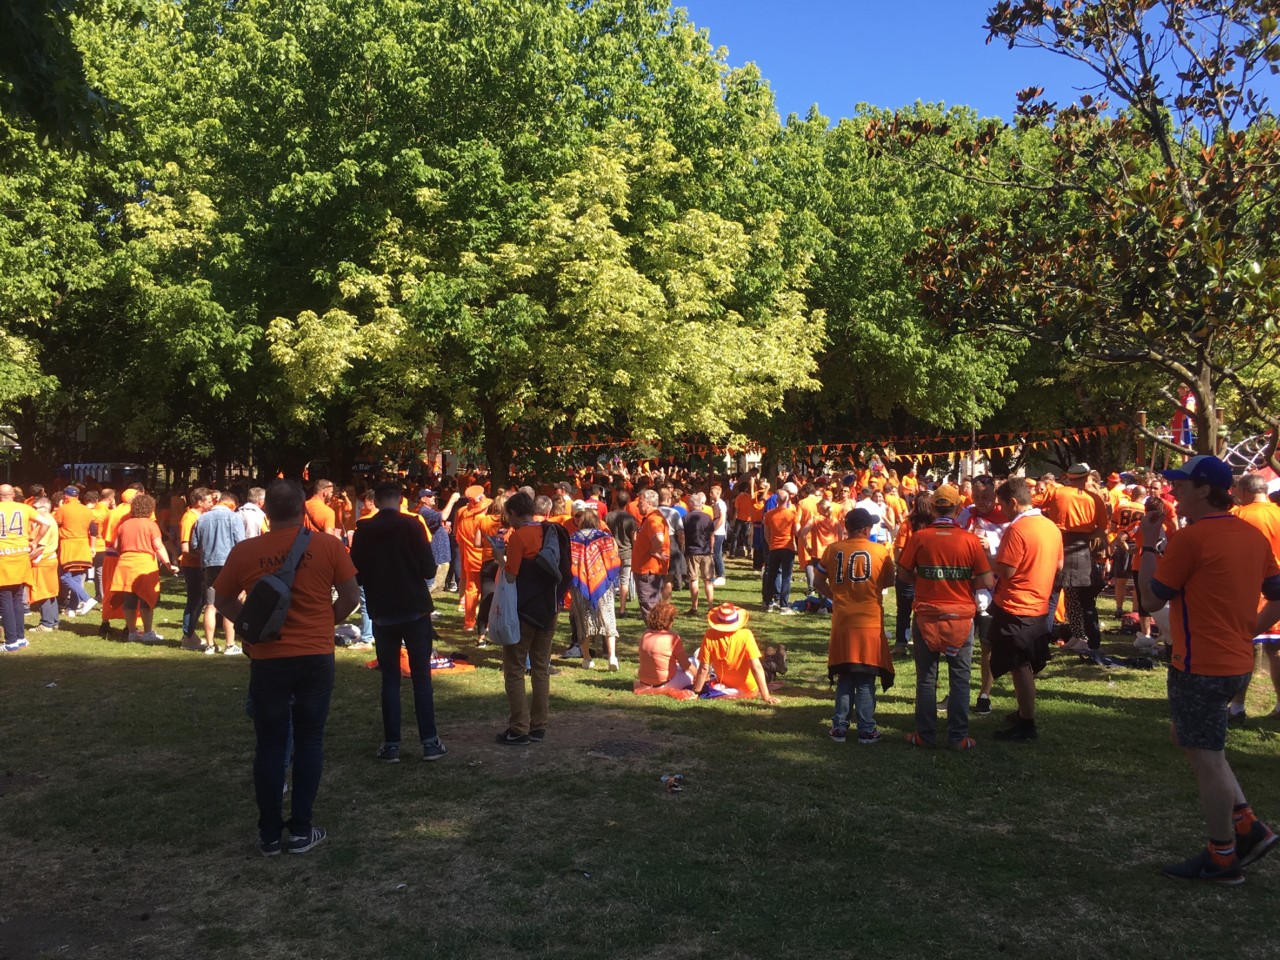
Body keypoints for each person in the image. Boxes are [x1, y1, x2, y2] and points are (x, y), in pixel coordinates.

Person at [1137, 455, 1280, 884]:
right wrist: (1249, 631)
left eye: (1181, 484)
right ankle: (1247, 826)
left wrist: (1147, 545)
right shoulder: (1250, 534)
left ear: (1205, 489)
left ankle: (1223, 856)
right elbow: (1276, 593)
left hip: (1201, 666)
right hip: (1232, 662)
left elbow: (1150, 601)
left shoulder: (1192, 539)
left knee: (1207, 758)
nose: (1173, 491)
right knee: (1189, 738)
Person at [214, 479, 360, 856]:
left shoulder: (247, 551)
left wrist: (249, 624)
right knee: (310, 740)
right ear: (303, 510)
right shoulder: (328, 546)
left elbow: (222, 596)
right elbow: (350, 597)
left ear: (266, 511)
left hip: (269, 658)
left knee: (270, 744)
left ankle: (268, 834)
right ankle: (300, 830)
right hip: (315, 655)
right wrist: (322, 624)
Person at [348, 480, 446, 764]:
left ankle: (392, 744)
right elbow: (429, 568)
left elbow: (357, 573)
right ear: (400, 499)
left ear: (376, 501)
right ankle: (429, 742)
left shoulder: (364, 529)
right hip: (414, 607)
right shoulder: (412, 525)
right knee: (420, 677)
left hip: (383, 610)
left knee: (390, 679)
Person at [897, 484, 993, 750]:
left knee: (926, 678)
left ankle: (925, 735)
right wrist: (961, 583)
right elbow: (985, 580)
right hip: (960, 617)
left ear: (933, 507)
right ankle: (958, 737)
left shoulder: (919, 538)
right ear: (958, 507)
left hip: (927, 615)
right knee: (960, 679)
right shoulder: (970, 540)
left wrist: (927, 581)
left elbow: (904, 574)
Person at [988, 478, 1064, 743]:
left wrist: (985, 558)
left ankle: (1026, 723)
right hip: (1039, 603)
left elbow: (1006, 570)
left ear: (1013, 502)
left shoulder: (1017, 529)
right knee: (1024, 664)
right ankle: (1024, 712)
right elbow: (1059, 563)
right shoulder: (1051, 526)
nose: (1001, 511)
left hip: (1017, 605)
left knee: (1018, 666)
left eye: (1002, 506)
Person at [492, 491, 570, 745]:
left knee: (514, 668)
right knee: (540, 667)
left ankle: (518, 728)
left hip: (524, 611)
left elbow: (511, 576)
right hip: (549, 608)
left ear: (513, 513)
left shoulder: (519, 536)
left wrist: (498, 557)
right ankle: (539, 726)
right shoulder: (550, 532)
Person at [813, 508, 896, 744]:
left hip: (842, 619)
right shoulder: (880, 550)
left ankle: (839, 727)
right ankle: (866, 728)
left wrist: (835, 596)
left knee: (845, 673)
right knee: (866, 676)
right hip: (869, 620)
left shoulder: (833, 549)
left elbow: (818, 579)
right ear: (866, 529)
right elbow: (888, 581)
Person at [1228, 472, 1280, 720]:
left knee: (1245, 646)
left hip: (1250, 588)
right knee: (1277, 649)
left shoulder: (1238, 516)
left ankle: (1237, 706)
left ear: (1245, 491)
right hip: (1277, 591)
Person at [958, 475, 1010, 715]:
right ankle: (958, 692)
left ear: (995, 496)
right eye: (977, 497)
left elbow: (1010, 556)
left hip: (992, 588)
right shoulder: (965, 514)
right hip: (964, 588)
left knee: (987, 644)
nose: (981, 502)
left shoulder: (1006, 520)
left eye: (986, 497)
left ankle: (984, 694)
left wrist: (990, 546)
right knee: (959, 645)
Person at [1044, 463, 1108, 653]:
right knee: (1084, 599)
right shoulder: (1095, 498)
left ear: (1068, 477)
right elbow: (1101, 528)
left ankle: (1047, 642)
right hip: (1081, 547)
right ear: (1086, 477)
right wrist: (1087, 537)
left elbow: (1034, 502)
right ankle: (1085, 638)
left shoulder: (1056, 492)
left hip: (1058, 545)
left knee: (1054, 597)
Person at [109, 494, 178, 642]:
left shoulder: (124, 525)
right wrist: (168, 564)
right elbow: (159, 547)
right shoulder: (151, 525)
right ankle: (147, 632)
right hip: (144, 565)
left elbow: (116, 546)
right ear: (150, 508)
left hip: (125, 565)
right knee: (147, 599)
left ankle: (132, 632)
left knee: (129, 600)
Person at [191, 491, 246, 655]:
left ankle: (209, 644)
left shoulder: (202, 518)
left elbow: (195, 544)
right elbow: (241, 543)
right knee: (230, 601)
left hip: (209, 564)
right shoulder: (233, 517)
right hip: (229, 564)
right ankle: (230, 644)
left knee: (211, 605)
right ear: (230, 503)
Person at [566, 507, 621, 670]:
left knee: (583, 620)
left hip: (580, 584)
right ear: (597, 521)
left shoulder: (573, 538)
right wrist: (612, 578)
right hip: (603, 584)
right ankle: (612, 657)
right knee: (608, 617)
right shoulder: (604, 537)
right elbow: (613, 560)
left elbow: (570, 561)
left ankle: (587, 659)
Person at [691, 603, 779, 704]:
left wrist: (696, 691)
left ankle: (772, 661)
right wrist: (766, 696)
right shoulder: (746, 635)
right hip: (748, 688)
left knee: (766, 671)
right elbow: (756, 667)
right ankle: (773, 661)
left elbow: (704, 668)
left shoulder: (710, 635)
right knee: (766, 672)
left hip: (726, 684)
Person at [0, 484, 44, 651]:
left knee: (5, 601)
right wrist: (34, 541)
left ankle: (11, 641)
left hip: (3, 558)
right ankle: (20, 638)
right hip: (20, 556)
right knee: (18, 598)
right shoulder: (24, 508)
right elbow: (45, 523)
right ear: (12, 494)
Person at [54, 486, 96, 617]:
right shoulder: (87, 510)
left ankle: (87, 599)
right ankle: (71, 608)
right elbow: (93, 529)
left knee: (64, 576)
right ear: (77, 496)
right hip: (83, 545)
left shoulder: (63, 509)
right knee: (77, 577)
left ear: (65, 496)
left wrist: (59, 507)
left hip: (69, 545)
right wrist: (92, 546)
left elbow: (56, 523)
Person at [179, 487, 212, 650]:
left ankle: (191, 633)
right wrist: (204, 552)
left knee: (202, 600)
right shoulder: (189, 518)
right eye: (208, 501)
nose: (212, 503)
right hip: (192, 565)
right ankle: (188, 635)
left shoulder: (201, 516)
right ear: (199, 502)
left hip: (200, 564)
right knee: (194, 600)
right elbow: (185, 546)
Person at [636, 601, 694, 691]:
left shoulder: (646, 634)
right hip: (664, 682)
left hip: (644, 681)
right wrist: (701, 675)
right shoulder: (673, 637)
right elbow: (686, 665)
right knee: (691, 672)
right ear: (669, 621)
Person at [632, 489, 670, 618]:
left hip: (648, 571)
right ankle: (658, 633)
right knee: (653, 607)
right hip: (648, 571)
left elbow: (659, 538)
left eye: (640, 502)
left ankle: (656, 635)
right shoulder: (651, 518)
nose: (637, 505)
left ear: (648, 503)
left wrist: (654, 551)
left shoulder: (653, 519)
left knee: (650, 608)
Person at [762, 484, 799, 614]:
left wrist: (771, 543)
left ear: (777, 500)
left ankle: (768, 603)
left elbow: (766, 533)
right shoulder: (792, 514)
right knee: (786, 577)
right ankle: (784, 605)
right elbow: (797, 532)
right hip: (787, 547)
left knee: (771, 575)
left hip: (774, 547)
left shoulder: (769, 514)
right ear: (787, 500)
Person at [27, 498, 61, 633]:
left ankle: (46, 624)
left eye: (36, 508)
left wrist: (25, 559)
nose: (33, 510)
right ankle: (54, 621)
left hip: (43, 562)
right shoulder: (50, 520)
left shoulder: (45, 524)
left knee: (42, 593)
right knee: (51, 592)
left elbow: (40, 548)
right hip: (50, 560)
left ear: (45, 509)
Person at [604, 491, 637, 617]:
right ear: (627, 502)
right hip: (627, 552)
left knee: (610, 581)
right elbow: (634, 538)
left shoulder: (608, 517)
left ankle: (609, 607)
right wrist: (635, 550)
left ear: (615, 501)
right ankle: (622, 609)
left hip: (611, 553)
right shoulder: (630, 518)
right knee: (624, 581)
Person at [683, 493, 715, 615]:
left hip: (692, 552)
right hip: (706, 551)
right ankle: (711, 606)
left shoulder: (686, 518)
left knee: (693, 579)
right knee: (708, 581)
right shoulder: (707, 517)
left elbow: (682, 535)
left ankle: (694, 607)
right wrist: (711, 550)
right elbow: (712, 537)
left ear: (691, 504)